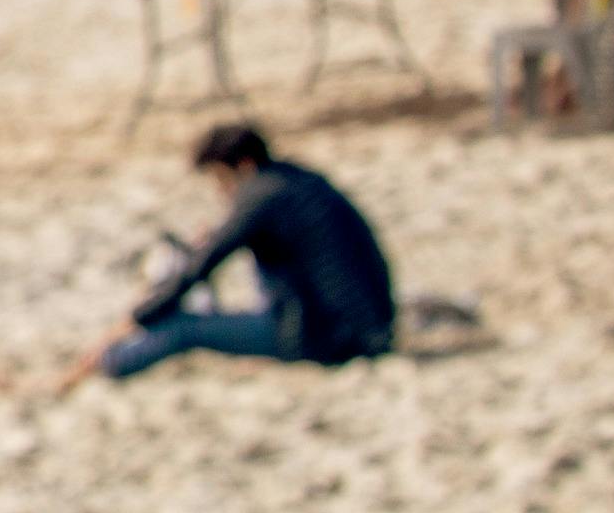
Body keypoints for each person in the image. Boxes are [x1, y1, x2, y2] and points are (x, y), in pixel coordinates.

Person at [66, 123, 397, 388]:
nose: (220, 190)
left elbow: (198, 269)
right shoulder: (293, 180)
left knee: (184, 328)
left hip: (328, 338)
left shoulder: (259, 196)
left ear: (243, 165)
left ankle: (107, 365)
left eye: (220, 178)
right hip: (369, 326)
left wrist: (137, 318)